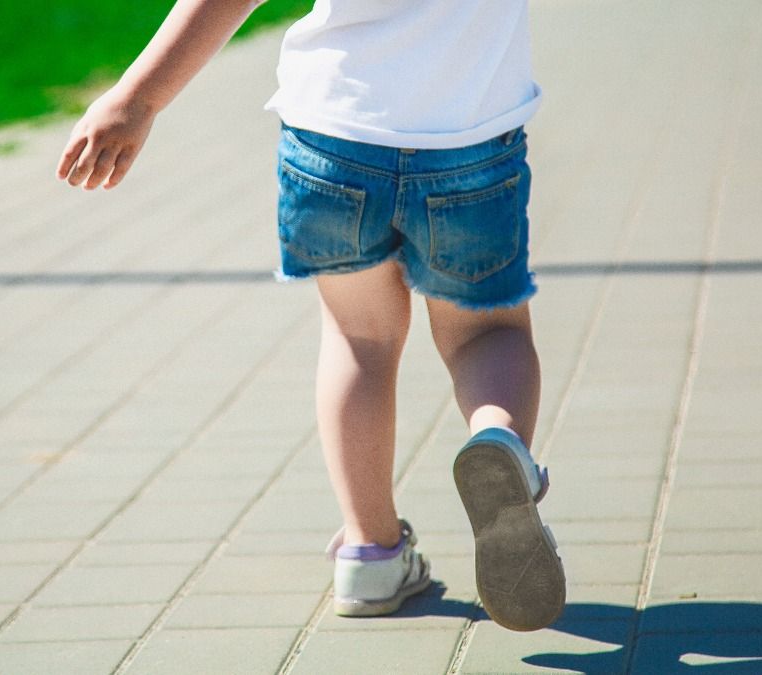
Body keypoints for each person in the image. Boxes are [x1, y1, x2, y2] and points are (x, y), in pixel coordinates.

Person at [56, 0, 565, 632]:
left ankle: (371, 552)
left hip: (335, 137)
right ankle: (500, 444)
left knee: (361, 339)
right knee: (486, 331)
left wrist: (137, 98)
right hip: (471, 140)